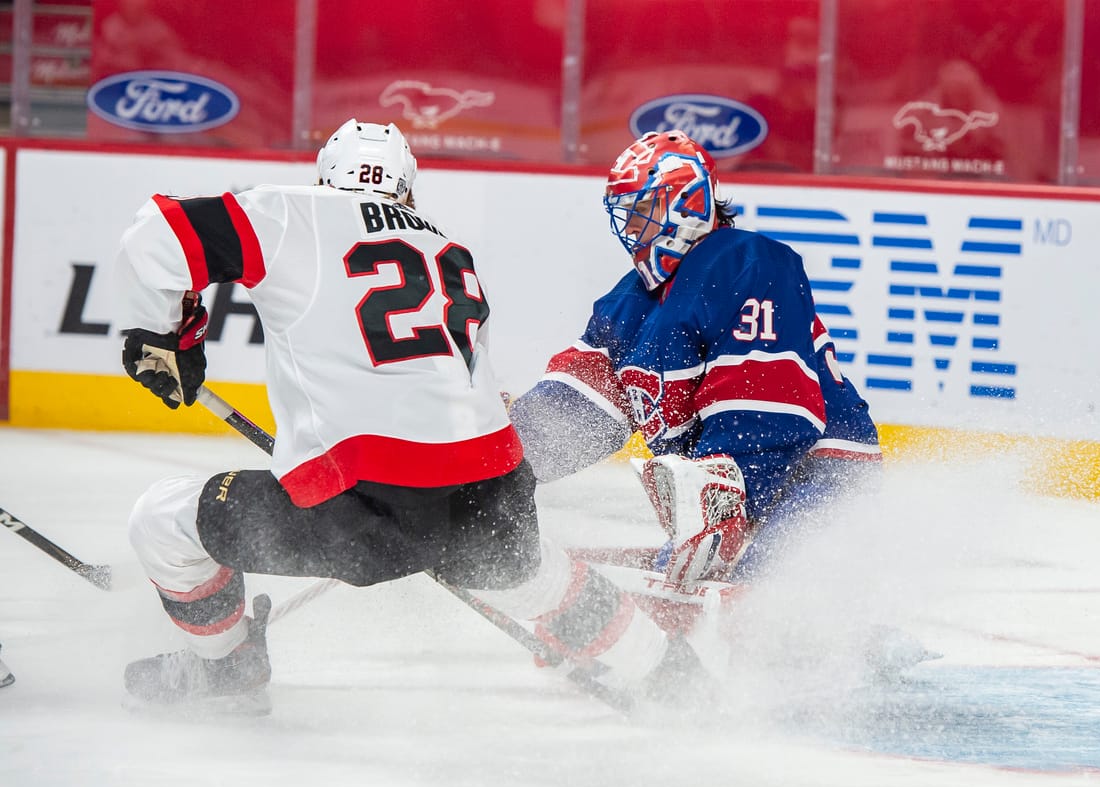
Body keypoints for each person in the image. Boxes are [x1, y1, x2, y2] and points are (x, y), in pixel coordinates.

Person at [114, 119, 703, 711]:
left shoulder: (293, 212)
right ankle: (675, 674)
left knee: (160, 521)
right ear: (408, 189)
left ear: (326, 178)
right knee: (537, 576)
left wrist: (166, 336)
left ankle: (228, 669)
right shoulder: (450, 251)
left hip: (360, 515)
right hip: (493, 490)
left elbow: (158, 234)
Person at [508, 130, 883, 608]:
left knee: (772, 612)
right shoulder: (631, 303)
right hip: (723, 496)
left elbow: (766, 407)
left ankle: (850, 639)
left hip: (820, 473)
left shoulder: (748, 263)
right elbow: (576, 406)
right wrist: (499, 461)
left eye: (641, 212)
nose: (631, 228)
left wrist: (729, 509)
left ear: (686, 204)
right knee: (691, 596)